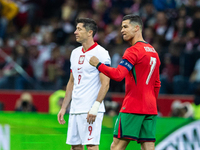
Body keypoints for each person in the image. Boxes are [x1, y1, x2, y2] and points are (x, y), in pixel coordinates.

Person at [89, 14, 161, 150]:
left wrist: (98, 65)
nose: (122, 30)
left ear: (137, 28)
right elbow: (157, 84)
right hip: (150, 108)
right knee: (148, 146)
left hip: (133, 106)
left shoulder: (133, 51)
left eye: (125, 27)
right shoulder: (153, 52)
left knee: (116, 146)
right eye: (121, 27)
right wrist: (150, 102)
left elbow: (118, 75)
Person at [57, 18, 111, 150]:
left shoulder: (101, 53)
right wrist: (64, 107)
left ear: (89, 32)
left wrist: (95, 107)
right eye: (76, 29)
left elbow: (106, 83)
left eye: (79, 29)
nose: (75, 32)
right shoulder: (75, 53)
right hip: (75, 108)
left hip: (90, 109)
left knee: (91, 146)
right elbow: (71, 81)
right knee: (75, 147)